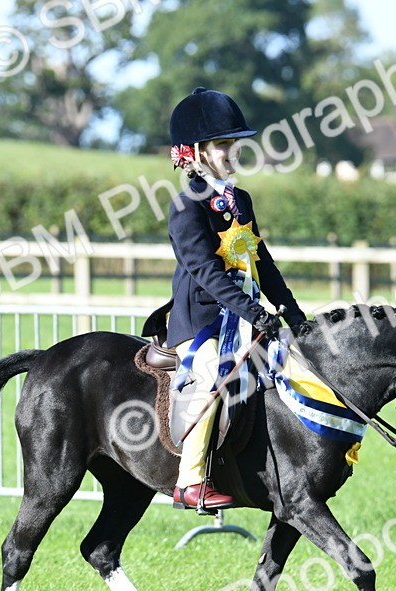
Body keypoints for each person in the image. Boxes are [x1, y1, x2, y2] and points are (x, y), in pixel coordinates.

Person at [165, 87, 307, 511]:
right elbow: (205, 272)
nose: (233, 151)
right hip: (200, 321)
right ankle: (190, 481)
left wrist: (295, 314)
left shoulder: (240, 200)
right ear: (197, 154)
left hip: (248, 316)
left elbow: (263, 262)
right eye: (223, 144)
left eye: (234, 143)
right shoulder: (186, 206)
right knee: (212, 374)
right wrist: (255, 312)